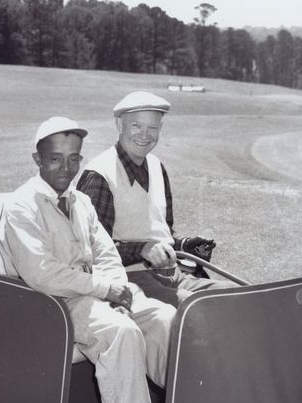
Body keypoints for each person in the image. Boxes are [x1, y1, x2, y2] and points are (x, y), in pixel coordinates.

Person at [0, 117, 175, 403]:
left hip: (94, 294)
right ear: (37, 160)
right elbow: (42, 273)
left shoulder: (81, 201)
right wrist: (105, 290)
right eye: (55, 159)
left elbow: (106, 255)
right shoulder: (22, 207)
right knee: (121, 334)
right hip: (52, 305)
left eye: (73, 159)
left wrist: (118, 290)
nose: (65, 168)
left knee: (165, 319)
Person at [76, 91, 233, 308]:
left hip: (174, 274)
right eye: (136, 126)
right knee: (198, 310)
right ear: (119, 125)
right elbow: (89, 250)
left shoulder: (157, 166)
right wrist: (142, 249)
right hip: (128, 280)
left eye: (153, 127)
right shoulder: (99, 175)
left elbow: (162, 233)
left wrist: (184, 244)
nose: (145, 135)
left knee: (235, 296)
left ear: (160, 129)